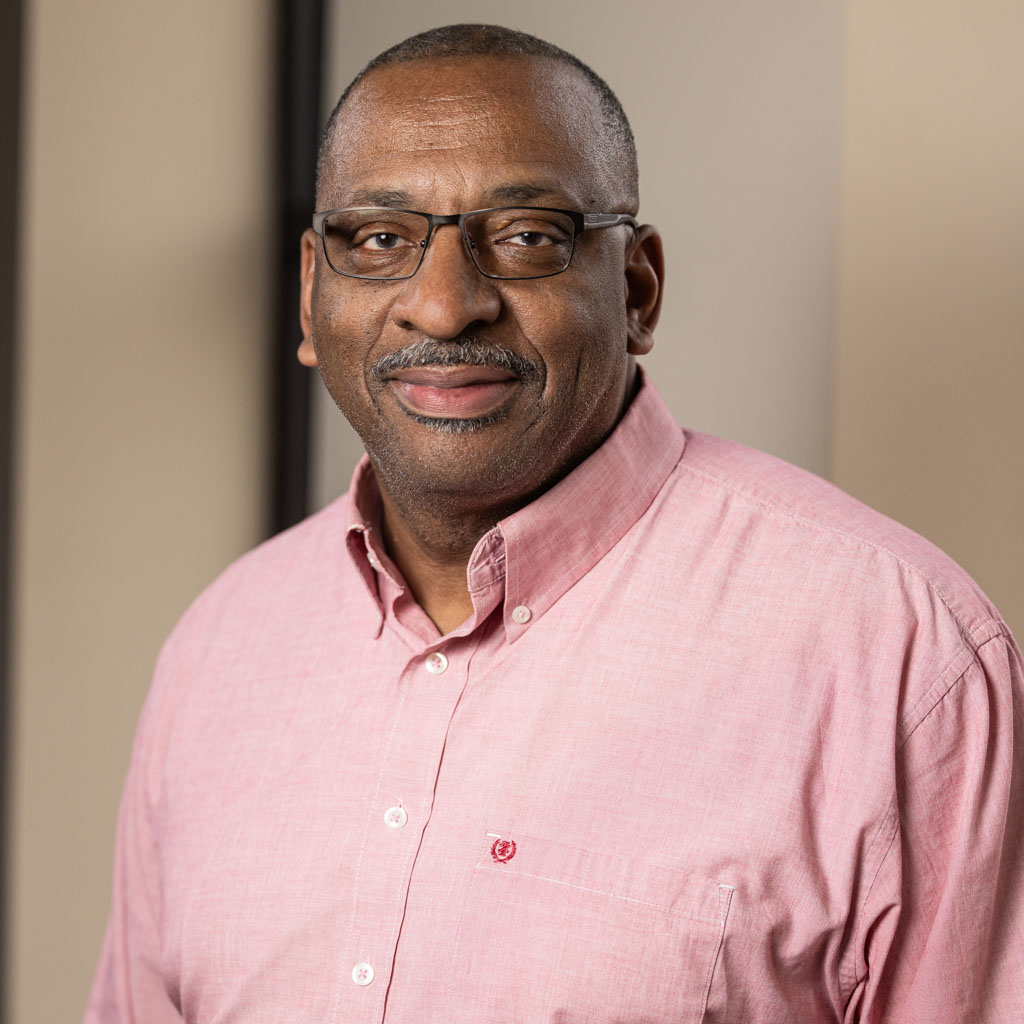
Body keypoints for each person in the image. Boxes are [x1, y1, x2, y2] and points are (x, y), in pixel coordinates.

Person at [85, 23, 1023, 1024]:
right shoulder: (218, 648)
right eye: (380, 238)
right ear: (313, 299)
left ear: (636, 289)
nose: (444, 307)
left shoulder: (898, 656)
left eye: (528, 234)